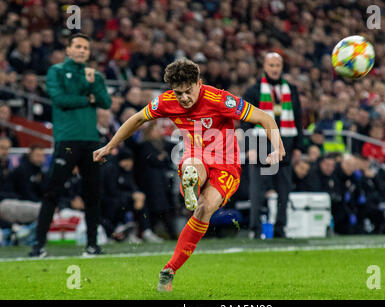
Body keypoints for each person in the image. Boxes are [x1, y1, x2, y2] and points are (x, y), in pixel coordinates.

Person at [93, 58, 285, 292]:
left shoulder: (219, 99)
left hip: (227, 165)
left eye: (188, 91)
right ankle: (191, 181)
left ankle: (169, 269)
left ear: (199, 83)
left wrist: (277, 147)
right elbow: (137, 119)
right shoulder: (166, 101)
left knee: (205, 208)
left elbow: (264, 118)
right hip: (198, 156)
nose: (183, 98)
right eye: (178, 93)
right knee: (193, 163)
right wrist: (109, 146)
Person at [29, 33, 111, 258]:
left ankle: (92, 245)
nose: (82, 50)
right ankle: (38, 245)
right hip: (67, 140)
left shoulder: (95, 75)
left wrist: (92, 86)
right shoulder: (56, 71)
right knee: (52, 191)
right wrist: (87, 97)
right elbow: (59, 100)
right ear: (68, 49)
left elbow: (106, 102)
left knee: (92, 194)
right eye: (78, 46)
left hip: (91, 141)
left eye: (86, 47)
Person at [242, 52, 302, 239]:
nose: (275, 69)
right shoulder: (253, 91)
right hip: (260, 145)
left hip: (285, 146)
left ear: (282, 67)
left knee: (284, 191)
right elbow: (246, 121)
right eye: (271, 65)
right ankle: (255, 229)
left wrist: (299, 147)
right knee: (257, 190)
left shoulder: (291, 89)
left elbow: (299, 118)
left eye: (278, 65)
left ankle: (280, 228)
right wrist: (249, 147)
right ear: (264, 67)